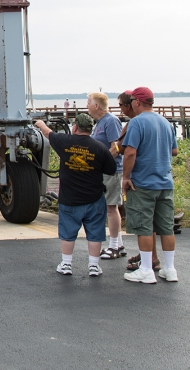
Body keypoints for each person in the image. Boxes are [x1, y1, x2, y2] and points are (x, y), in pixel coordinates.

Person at [35, 114, 117, 277]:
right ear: (90, 129)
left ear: (74, 127)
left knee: (68, 232)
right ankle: (94, 266)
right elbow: (111, 169)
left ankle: (66, 264)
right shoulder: (99, 147)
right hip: (94, 198)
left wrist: (40, 124)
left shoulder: (64, 141)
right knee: (94, 233)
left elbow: (48, 133)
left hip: (70, 198)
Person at [120, 87, 179, 284]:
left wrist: (126, 177)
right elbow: (174, 151)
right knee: (166, 227)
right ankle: (170, 269)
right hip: (165, 181)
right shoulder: (165, 122)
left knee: (144, 226)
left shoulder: (137, 123)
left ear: (136, 102)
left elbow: (130, 152)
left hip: (143, 183)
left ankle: (146, 269)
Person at [86, 92, 126, 259]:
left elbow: (116, 147)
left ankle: (114, 246)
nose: (87, 105)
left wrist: (104, 163)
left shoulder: (110, 121)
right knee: (108, 206)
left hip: (111, 171)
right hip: (102, 171)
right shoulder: (100, 123)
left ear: (97, 106)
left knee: (111, 207)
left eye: (89, 102)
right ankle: (120, 245)